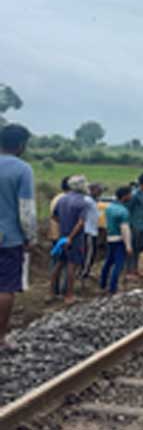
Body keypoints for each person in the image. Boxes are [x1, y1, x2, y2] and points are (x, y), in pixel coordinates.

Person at [0, 124, 36, 349]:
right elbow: (26, 210)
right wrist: (30, 237)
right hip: (8, 239)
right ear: (21, 145)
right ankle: (0, 338)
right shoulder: (22, 169)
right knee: (5, 288)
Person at [52, 175, 90, 304]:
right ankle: (69, 295)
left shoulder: (62, 199)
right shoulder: (82, 202)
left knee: (59, 263)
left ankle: (51, 293)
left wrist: (64, 229)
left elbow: (54, 217)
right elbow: (81, 223)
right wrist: (71, 237)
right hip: (74, 238)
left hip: (62, 236)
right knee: (71, 266)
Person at [100, 186, 133, 295]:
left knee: (108, 262)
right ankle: (113, 288)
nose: (131, 196)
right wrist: (128, 246)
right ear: (124, 196)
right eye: (129, 194)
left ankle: (103, 283)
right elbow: (125, 229)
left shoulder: (109, 208)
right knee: (118, 265)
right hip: (119, 240)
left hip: (110, 239)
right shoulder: (123, 211)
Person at [126, 172, 143, 278]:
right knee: (131, 249)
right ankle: (129, 271)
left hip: (142, 225)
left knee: (138, 249)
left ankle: (135, 270)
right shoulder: (135, 195)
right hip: (134, 226)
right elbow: (128, 209)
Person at [81, 183, 103, 279]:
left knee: (92, 253)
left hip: (93, 230)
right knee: (89, 253)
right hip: (88, 230)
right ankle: (84, 273)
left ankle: (86, 271)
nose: (100, 193)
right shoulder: (87, 201)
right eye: (98, 190)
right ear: (92, 190)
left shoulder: (93, 201)